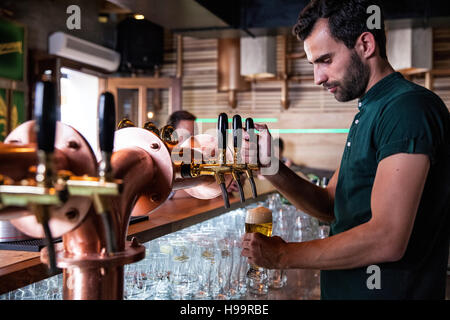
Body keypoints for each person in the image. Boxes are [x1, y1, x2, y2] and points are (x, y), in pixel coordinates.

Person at [241, 0, 450, 299]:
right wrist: (271, 167)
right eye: (314, 64)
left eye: (325, 60)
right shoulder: (371, 109)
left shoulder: (406, 108)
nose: (318, 78)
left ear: (365, 44)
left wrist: (284, 256)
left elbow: (387, 238)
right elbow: (330, 205)